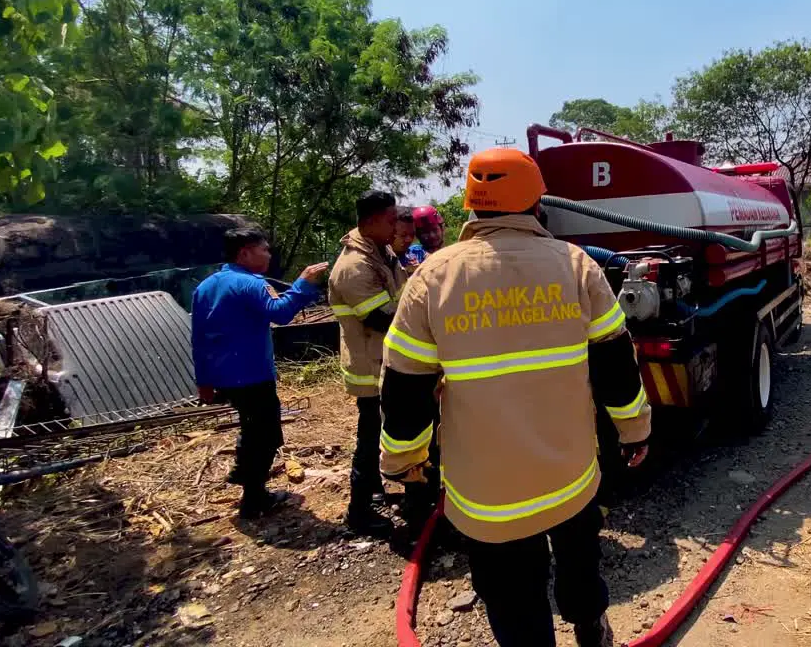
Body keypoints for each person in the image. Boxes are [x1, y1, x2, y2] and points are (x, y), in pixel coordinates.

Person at [378, 148, 651, 647]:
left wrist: (402, 461)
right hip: (570, 478)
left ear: (472, 205)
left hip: (487, 497)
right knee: (580, 565)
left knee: (512, 598)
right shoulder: (575, 266)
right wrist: (635, 431)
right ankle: (591, 628)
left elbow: (404, 386)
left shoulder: (432, 278)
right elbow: (616, 362)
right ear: (535, 202)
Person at [191, 228, 328, 518]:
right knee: (265, 434)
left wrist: (203, 381)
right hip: (252, 373)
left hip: (225, 376)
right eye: (263, 249)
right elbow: (280, 313)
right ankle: (254, 497)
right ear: (244, 253)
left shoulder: (204, 287)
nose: (268, 254)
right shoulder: (250, 283)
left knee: (250, 426)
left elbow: (199, 339)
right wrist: (303, 284)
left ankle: (243, 473)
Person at [328, 190, 409, 537]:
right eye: (391, 219)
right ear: (372, 221)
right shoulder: (354, 266)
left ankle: (375, 489)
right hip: (370, 366)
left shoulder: (380, 251)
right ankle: (359, 512)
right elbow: (381, 319)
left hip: (384, 360)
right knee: (370, 436)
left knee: (380, 431)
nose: (396, 225)